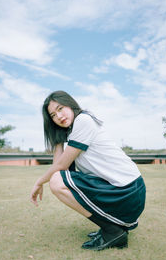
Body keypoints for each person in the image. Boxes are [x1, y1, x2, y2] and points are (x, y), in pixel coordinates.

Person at [30, 90, 146, 251]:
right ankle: (111, 227)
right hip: (123, 190)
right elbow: (58, 166)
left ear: (70, 104)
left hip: (129, 191)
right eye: (53, 115)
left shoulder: (83, 120)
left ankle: (113, 231)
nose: (59, 116)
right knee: (58, 178)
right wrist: (57, 138)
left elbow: (60, 167)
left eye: (60, 108)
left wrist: (39, 182)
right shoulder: (71, 132)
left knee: (56, 182)